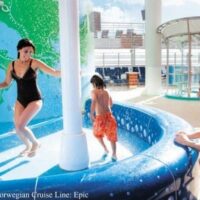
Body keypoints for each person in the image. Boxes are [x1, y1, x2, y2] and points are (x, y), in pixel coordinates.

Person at [0, 38, 61, 157]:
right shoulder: (12, 65)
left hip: (35, 99)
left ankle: (35, 143)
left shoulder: (34, 63)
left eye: (30, 52)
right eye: (25, 51)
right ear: (19, 50)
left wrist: (70, 71)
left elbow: (53, 72)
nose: (28, 54)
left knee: (20, 126)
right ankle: (28, 146)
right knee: (18, 129)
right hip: (20, 100)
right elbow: (6, 83)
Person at [90, 74, 117, 161]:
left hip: (100, 117)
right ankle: (114, 154)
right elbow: (111, 103)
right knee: (112, 136)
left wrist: (91, 113)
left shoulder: (93, 92)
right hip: (109, 116)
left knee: (97, 134)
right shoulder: (107, 91)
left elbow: (93, 102)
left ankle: (105, 149)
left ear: (94, 84)